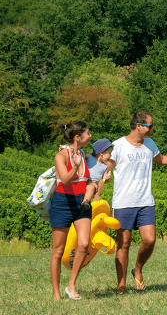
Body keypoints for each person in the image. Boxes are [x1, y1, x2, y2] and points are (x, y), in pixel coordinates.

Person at [103, 111, 167, 293]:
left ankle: (137, 269)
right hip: (123, 203)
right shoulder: (118, 145)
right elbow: (106, 169)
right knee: (124, 244)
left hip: (146, 201)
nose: (152, 129)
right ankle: (121, 285)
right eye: (150, 126)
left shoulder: (150, 144)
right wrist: (99, 185)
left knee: (150, 240)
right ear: (138, 126)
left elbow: (161, 161)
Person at [49, 121, 93, 300]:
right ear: (77, 137)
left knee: (83, 245)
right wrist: (75, 165)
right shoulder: (61, 156)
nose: (90, 136)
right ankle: (56, 294)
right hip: (62, 203)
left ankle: (71, 284)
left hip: (82, 203)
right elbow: (65, 180)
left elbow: (99, 155)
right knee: (58, 251)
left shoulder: (83, 153)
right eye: (87, 133)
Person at [83, 138, 113, 203]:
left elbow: (103, 180)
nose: (111, 155)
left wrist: (107, 179)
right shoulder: (90, 158)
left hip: (93, 183)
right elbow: (82, 153)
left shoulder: (105, 166)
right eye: (109, 153)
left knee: (91, 188)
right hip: (84, 180)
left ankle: (85, 203)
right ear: (101, 153)